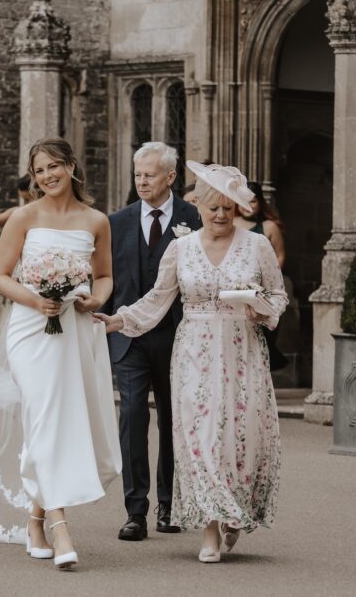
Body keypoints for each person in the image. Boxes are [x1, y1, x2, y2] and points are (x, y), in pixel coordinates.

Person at [95, 161, 288, 564]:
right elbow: (159, 298)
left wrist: (261, 310)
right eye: (213, 207)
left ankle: (234, 513)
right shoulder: (181, 247)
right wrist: (120, 319)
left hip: (242, 351)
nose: (220, 215)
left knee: (240, 438)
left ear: (237, 210)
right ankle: (211, 530)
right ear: (197, 205)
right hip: (194, 353)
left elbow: (277, 295)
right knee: (201, 440)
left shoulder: (257, 246)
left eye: (228, 209)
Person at [0, 138, 122, 570]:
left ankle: (34, 519)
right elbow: (1, 276)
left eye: (54, 167)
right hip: (31, 329)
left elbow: (103, 276)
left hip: (75, 329)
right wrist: (35, 300)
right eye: (39, 170)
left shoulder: (96, 220)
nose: (46, 176)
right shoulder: (23, 217)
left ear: (71, 167)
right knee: (45, 414)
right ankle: (61, 528)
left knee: (50, 422)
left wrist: (95, 300)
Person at [102, 141, 202, 542]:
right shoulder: (116, 222)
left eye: (150, 174)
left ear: (171, 177)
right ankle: (135, 511)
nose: (142, 181)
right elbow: (106, 277)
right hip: (129, 336)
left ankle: (169, 505)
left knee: (173, 422)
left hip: (178, 336)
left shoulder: (194, 218)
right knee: (132, 420)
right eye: (138, 174)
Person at [234, 181, 289, 370]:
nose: (248, 206)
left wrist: (267, 281)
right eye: (243, 201)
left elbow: (280, 255)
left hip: (263, 291)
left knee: (264, 338)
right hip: (235, 291)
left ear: (260, 203)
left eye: (253, 202)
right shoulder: (231, 225)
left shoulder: (269, 227)